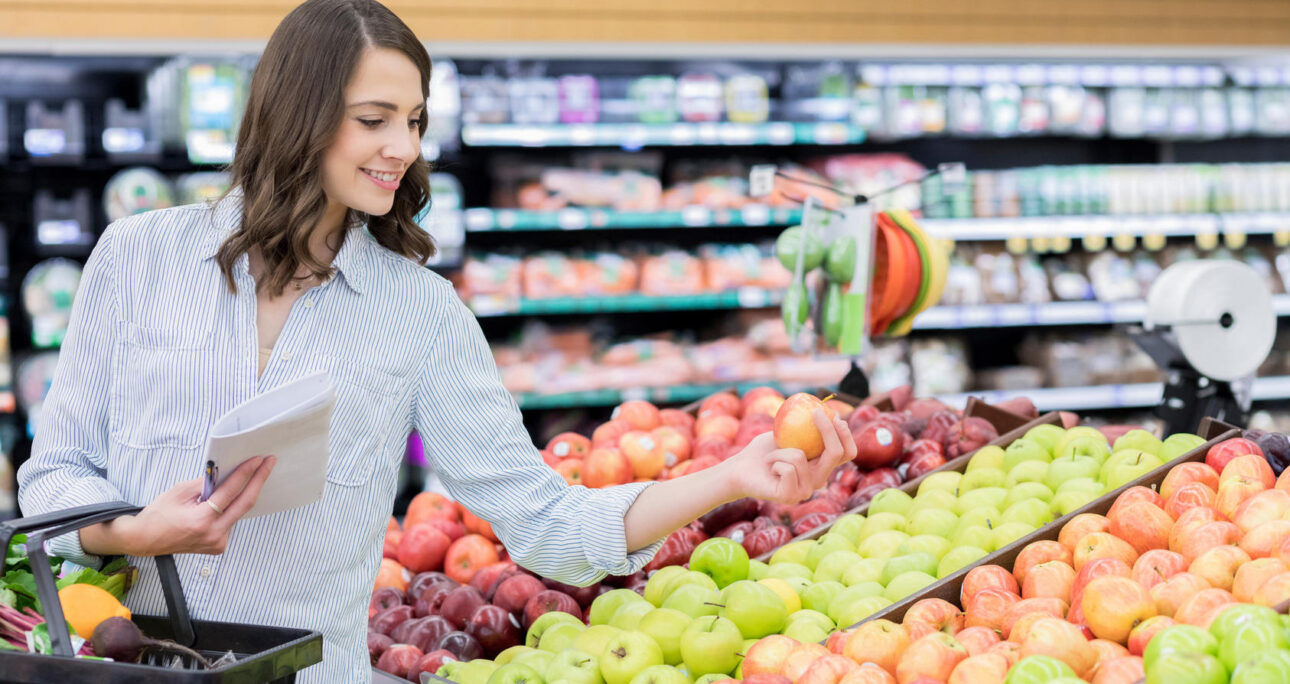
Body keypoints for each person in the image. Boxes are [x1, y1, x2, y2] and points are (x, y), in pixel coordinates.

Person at [16, 1, 857, 681]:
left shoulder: (418, 312)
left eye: (414, 121)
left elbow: (545, 522)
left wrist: (734, 476)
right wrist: (129, 534)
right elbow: (53, 479)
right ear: (297, 114)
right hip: (119, 665)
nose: (403, 149)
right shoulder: (137, 257)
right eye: (375, 119)